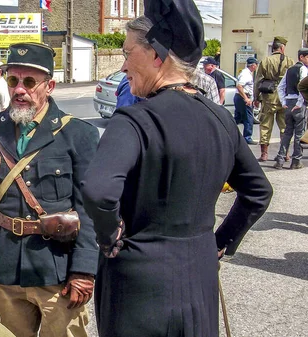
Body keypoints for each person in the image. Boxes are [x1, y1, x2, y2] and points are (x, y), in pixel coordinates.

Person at [81, 0, 273, 335]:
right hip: (198, 277)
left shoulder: (133, 120)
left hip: (138, 285)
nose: (124, 65)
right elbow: (258, 192)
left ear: (157, 54)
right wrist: (221, 241)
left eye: (128, 53)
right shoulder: (221, 120)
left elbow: (98, 190)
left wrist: (109, 235)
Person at [0, 42, 99, 337]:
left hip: (58, 271)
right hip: (1, 269)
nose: (19, 90)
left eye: (29, 82)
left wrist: (84, 269)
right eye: (13, 80)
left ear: (49, 86)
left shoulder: (77, 134)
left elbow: (90, 209)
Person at [253, 36, 295, 161]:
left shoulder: (265, 61)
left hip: (268, 96)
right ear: (282, 48)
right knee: (285, 126)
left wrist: (256, 97)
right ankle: (285, 153)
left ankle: (264, 154)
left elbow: (258, 80)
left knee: (265, 125)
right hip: (284, 97)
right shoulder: (290, 61)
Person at [273, 48, 308, 169]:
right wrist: (300, 102)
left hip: (288, 102)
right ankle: (296, 161)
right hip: (299, 103)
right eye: (307, 57)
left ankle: (280, 159)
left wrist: (283, 101)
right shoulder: (303, 69)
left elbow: (280, 87)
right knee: (299, 134)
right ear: (301, 57)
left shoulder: (289, 70)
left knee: (287, 132)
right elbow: (302, 87)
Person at [234, 57, 259, 145]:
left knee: (238, 118)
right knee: (248, 118)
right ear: (253, 65)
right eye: (256, 65)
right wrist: (246, 98)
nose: (256, 67)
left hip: (240, 97)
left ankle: (228, 132)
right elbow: (239, 86)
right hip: (243, 98)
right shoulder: (246, 74)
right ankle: (247, 137)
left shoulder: (246, 73)